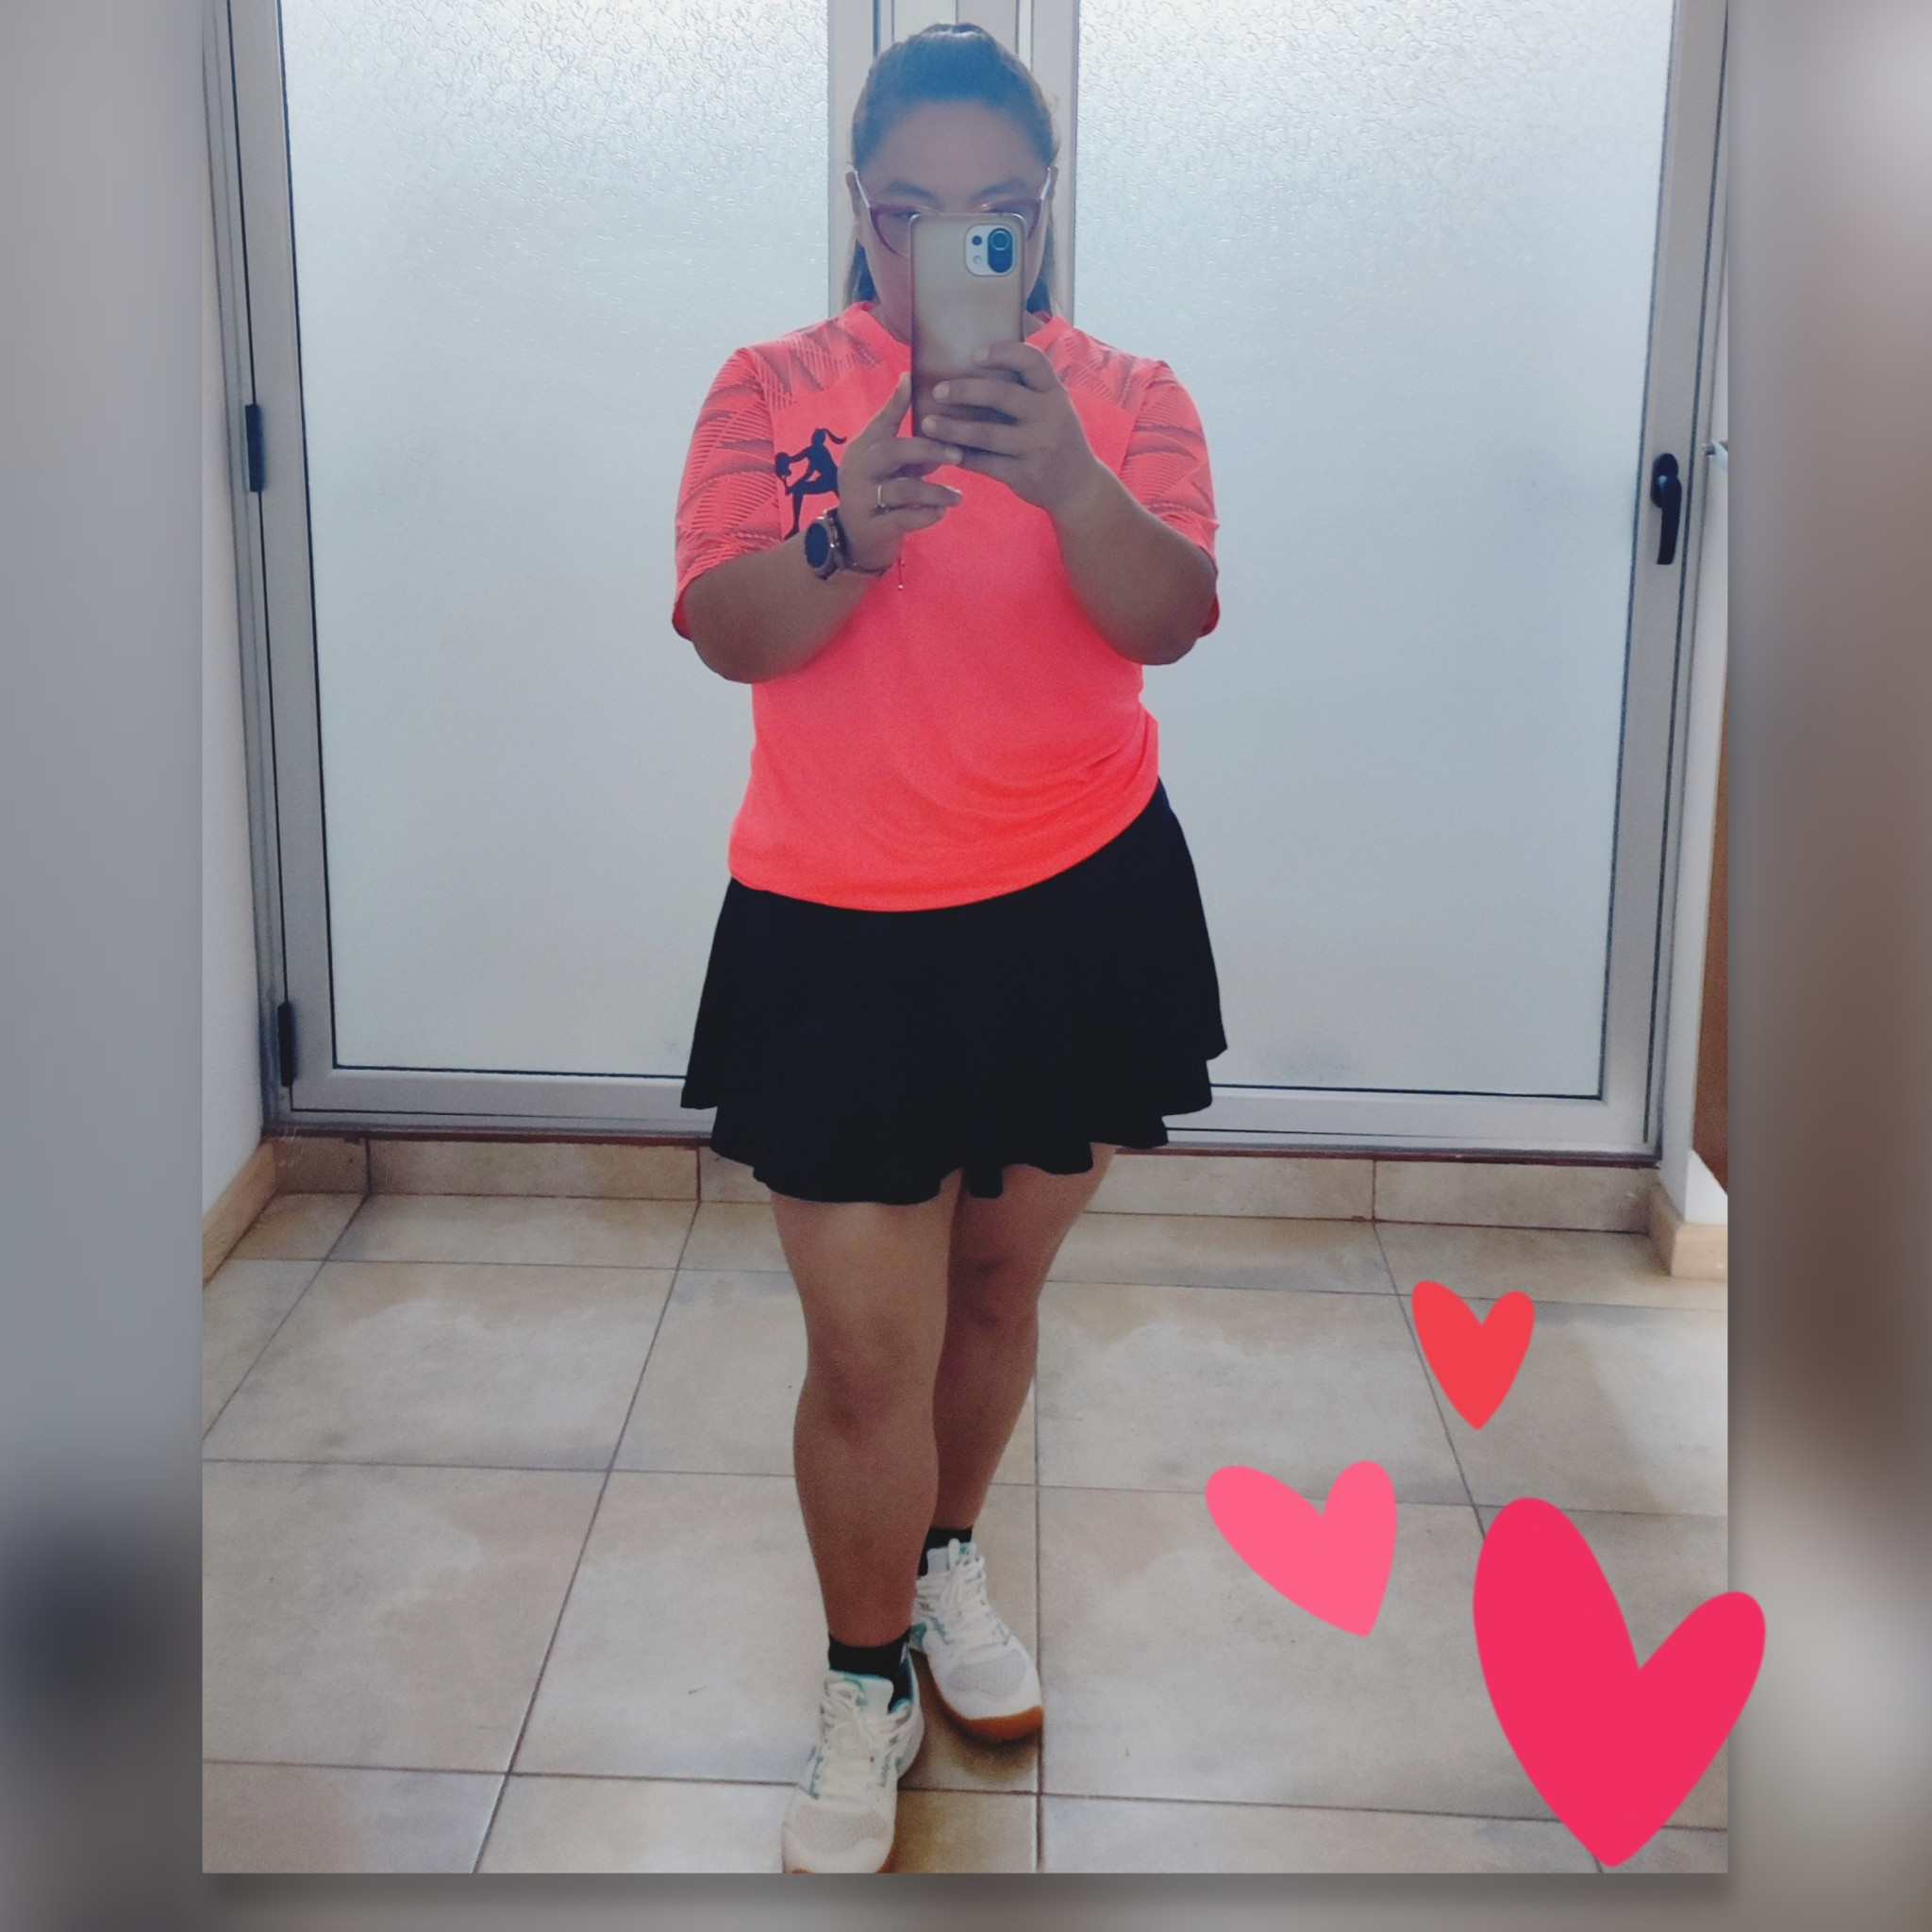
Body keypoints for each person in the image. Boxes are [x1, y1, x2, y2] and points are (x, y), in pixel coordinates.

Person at [672, 23, 1227, 1874]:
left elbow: (1172, 615)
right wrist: (844, 534)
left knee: (995, 1298)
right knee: (864, 1351)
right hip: (836, 934)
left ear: (1040, 217)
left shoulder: (1126, 396)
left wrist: (1069, 479)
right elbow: (727, 631)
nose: (946, 251)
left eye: (993, 215)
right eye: (909, 213)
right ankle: (863, 1685)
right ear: (860, 209)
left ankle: (942, 1565)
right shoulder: (769, 389)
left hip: (1078, 912)